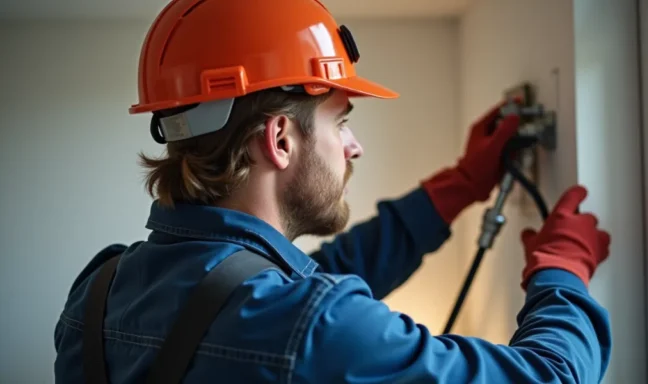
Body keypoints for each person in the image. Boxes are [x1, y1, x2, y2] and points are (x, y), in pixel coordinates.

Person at [53, 0, 613, 382]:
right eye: (340, 121)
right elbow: (549, 376)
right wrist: (561, 269)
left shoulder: (99, 290)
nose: (354, 146)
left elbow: (311, 278)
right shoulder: (306, 324)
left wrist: (460, 185)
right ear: (279, 138)